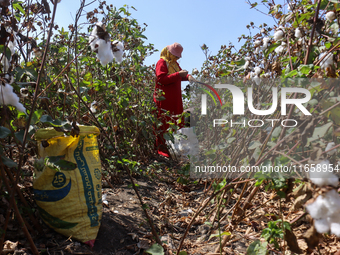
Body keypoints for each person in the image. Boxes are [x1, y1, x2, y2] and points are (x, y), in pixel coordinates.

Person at [153, 42, 193, 157]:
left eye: (177, 57)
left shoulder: (174, 64)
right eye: (175, 56)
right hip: (164, 100)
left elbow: (180, 75)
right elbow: (161, 79)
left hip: (175, 100)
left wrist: (188, 76)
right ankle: (163, 151)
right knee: (164, 123)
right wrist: (178, 75)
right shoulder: (162, 62)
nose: (176, 58)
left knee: (176, 122)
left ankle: (174, 150)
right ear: (169, 53)